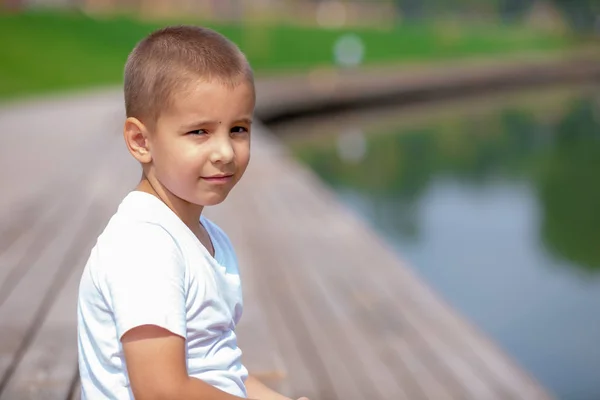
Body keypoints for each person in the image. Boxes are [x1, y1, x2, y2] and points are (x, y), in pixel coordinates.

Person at [77, 25, 309, 400]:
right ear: (141, 141)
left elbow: (223, 370)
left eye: (237, 129)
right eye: (200, 132)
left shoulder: (207, 239)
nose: (225, 152)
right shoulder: (145, 245)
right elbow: (160, 390)